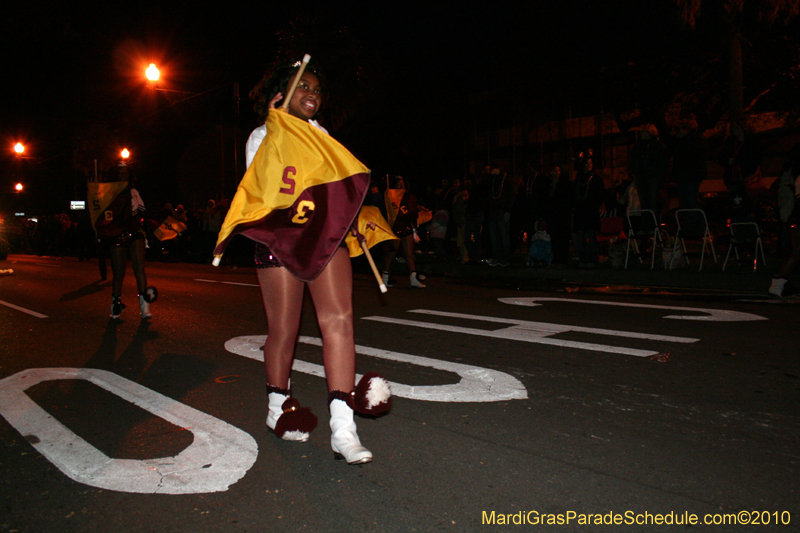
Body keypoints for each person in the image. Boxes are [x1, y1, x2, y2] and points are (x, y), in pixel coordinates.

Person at [245, 59, 389, 464]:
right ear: (283, 93)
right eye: (303, 86)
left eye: (317, 89)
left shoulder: (323, 136)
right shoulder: (262, 134)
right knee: (284, 330)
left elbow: (336, 190)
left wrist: (351, 217)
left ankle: (343, 430)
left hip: (325, 237)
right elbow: (262, 189)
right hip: (282, 238)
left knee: (340, 321)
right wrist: (278, 125)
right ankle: (277, 407)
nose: (312, 94)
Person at [100, 163, 157, 319]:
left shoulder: (134, 192)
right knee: (119, 273)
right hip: (117, 234)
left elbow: (142, 212)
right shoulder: (110, 193)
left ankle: (144, 308)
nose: (123, 176)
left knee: (139, 268)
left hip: (135, 232)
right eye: (120, 173)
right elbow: (105, 215)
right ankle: (115, 305)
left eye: (125, 173)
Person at [381, 175, 426, 287]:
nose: (401, 186)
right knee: (392, 252)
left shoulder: (408, 196)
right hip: (396, 227)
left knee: (409, 253)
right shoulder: (390, 196)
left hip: (407, 226)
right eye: (398, 184)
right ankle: (384, 279)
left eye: (402, 184)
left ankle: (413, 280)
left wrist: (414, 230)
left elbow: (412, 213)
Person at [628, 123, 668, 228]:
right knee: (644, 203)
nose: (641, 134)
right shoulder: (638, 147)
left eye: (643, 132)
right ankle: (646, 225)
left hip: (652, 178)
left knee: (652, 201)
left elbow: (661, 163)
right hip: (642, 177)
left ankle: (654, 225)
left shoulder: (657, 145)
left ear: (650, 133)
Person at [571, 154, 605, 267]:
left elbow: (600, 195)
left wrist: (595, 205)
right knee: (580, 236)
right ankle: (583, 258)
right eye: (587, 163)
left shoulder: (596, 179)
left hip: (591, 211)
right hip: (580, 211)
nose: (589, 165)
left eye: (591, 163)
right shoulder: (579, 179)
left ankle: (592, 259)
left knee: (591, 235)